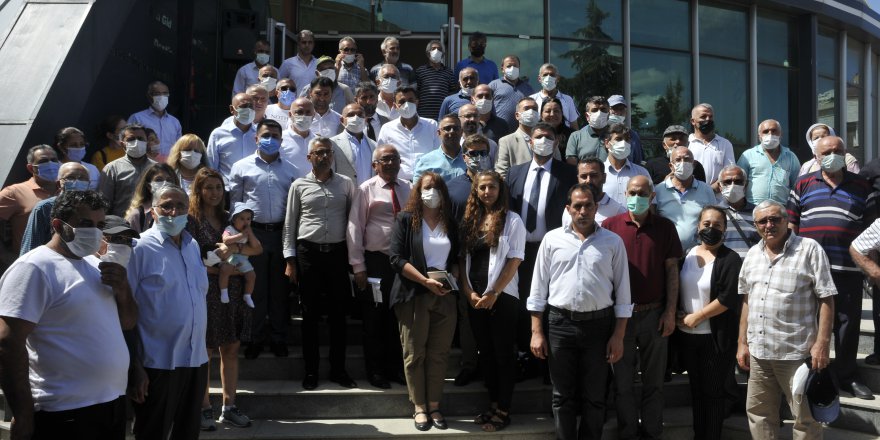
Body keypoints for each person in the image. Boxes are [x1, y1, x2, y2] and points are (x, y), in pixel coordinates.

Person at [0, 190, 136, 440]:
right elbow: (8, 342)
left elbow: (127, 323)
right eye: (85, 224)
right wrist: (23, 413)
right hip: (64, 413)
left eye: (100, 225)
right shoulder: (33, 268)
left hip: (111, 406)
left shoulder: (97, 266)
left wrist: (123, 289)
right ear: (57, 225)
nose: (94, 232)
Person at [528, 183, 632, 440]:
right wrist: (536, 332)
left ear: (597, 208)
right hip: (559, 324)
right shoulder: (552, 240)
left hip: (599, 326)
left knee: (595, 397)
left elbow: (623, 293)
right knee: (562, 396)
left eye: (588, 205)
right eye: (577, 206)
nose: (583, 211)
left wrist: (618, 336)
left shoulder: (613, 242)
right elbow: (538, 290)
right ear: (568, 208)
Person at [787, 135, 878, 400]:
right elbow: (792, 225)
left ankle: (847, 376)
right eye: (826, 151)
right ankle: (813, 374)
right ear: (816, 156)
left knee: (847, 325)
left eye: (838, 150)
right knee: (810, 324)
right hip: (809, 271)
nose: (833, 155)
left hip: (847, 269)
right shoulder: (803, 183)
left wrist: (869, 267)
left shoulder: (862, 186)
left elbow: (872, 231)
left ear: (846, 153)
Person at [737, 200, 836, 439]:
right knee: (759, 414)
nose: (769, 225)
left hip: (796, 353)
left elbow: (827, 299)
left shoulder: (809, 249)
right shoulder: (752, 254)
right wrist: (742, 343)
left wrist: (822, 344)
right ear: (756, 225)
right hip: (760, 354)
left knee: (805, 419)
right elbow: (747, 301)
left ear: (786, 220)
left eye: (775, 219)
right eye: (762, 221)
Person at [127, 184, 209, 440]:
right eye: (166, 206)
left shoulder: (192, 245)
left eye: (180, 206)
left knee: (188, 432)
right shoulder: (139, 248)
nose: (174, 212)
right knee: (152, 431)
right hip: (156, 363)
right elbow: (123, 308)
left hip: (195, 359)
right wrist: (134, 366)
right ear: (153, 211)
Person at [603, 175, 682, 440]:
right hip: (620, 319)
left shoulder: (665, 227)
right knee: (622, 382)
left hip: (655, 314)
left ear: (652, 195)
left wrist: (670, 311)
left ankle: (651, 431)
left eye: (643, 192)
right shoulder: (609, 226)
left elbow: (672, 271)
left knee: (654, 382)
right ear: (625, 195)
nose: (637, 197)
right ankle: (627, 432)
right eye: (632, 192)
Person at [186, 168, 259, 430]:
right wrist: (220, 269)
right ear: (199, 190)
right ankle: (204, 408)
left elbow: (253, 248)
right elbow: (191, 259)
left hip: (234, 290)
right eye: (208, 188)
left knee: (230, 348)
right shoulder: (191, 220)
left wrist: (238, 263)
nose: (214, 193)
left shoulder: (233, 218)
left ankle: (230, 406)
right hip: (206, 290)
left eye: (218, 187)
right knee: (204, 350)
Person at [284, 136, 356, 390]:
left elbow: (352, 221)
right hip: (308, 254)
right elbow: (290, 224)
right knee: (310, 314)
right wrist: (290, 260)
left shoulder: (346, 184)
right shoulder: (299, 185)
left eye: (328, 152)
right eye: (319, 153)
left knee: (338, 315)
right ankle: (311, 371)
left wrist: (353, 258)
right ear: (309, 157)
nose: (324, 156)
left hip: (337, 254)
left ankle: (339, 369)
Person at [389, 171, 459, 432]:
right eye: (427, 188)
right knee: (414, 353)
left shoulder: (449, 222)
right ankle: (419, 407)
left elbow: (456, 258)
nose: (432, 192)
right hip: (413, 294)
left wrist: (450, 278)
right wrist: (424, 281)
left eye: (436, 188)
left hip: (444, 296)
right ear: (418, 191)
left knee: (439, 354)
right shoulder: (406, 219)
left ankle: (434, 404)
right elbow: (395, 258)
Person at [459, 170, 525, 432]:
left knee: (502, 354)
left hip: (502, 298)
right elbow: (461, 262)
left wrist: (493, 293)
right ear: (476, 191)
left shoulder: (512, 220)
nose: (487, 192)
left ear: (500, 190)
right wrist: (469, 292)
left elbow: (515, 260)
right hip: (475, 299)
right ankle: (493, 403)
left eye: (492, 187)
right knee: (484, 353)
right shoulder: (468, 220)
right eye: (482, 188)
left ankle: (504, 410)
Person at [507, 123, 577, 361]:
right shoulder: (515, 173)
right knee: (522, 301)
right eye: (538, 136)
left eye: (548, 137)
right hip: (521, 251)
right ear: (530, 141)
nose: (543, 140)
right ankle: (526, 355)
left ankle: (549, 359)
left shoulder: (567, 173)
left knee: (549, 303)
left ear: (557, 142)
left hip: (553, 250)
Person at [229, 119, 298, 359]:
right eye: (266, 134)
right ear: (256, 138)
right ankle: (254, 338)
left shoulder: (291, 170)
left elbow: (294, 208)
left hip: (281, 233)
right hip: (252, 234)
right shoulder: (240, 167)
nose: (271, 139)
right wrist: (242, 234)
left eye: (276, 135)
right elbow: (235, 204)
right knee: (254, 287)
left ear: (281, 139)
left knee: (279, 289)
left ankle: (279, 337)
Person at [346, 144, 411, 389]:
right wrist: (358, 266)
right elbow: (355, 227)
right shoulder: (366, 189)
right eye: (385, 159)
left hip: (401, 263)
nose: (391, 163)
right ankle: (375, 371)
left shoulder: (408, 188)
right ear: (375, 165)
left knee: (397, 317)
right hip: (376, 263)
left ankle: (395, 368)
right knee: (374, 318)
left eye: (395, 158)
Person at [677, 205, 743, 440]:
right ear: (698, 226)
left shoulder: (730, 259)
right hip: (687, 336)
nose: (711, 229)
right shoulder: (688, 254)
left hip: (714, 339)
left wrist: (698, 316)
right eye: (707, 224)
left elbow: (727, 298)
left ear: (725, 229)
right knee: (696, 392)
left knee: (713, 394)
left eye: (717, 225)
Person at [446, 134, 493, 385]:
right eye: (472, 153)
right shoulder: (452, 188)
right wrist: (453, 262)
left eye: (482, 152)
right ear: (464, 157)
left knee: (493, 314)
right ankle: (468, 364)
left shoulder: (498, 185)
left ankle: (490, 365)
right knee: (466, 316)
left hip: (494, 261)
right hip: (464, 261)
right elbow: (448, 228)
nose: (477, 158)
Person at [20, 162, 91, 255]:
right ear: (58, 183)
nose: (76, 181)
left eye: (82, 178)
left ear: (89, 184)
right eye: (70, 178)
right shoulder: (44, 208)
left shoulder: (92, 209)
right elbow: (30, 249)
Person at [654, 146, 717, 251]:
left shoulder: (706, 190)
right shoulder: (659, 190)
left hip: (698, 254)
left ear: (693, 164)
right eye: (678, 160)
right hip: (666, 254)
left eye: (687, 159)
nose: (683, 163)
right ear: (671, 166)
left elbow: (713, 220)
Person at [0, 145, 59, 255]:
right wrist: (6, 257)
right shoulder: (14, 192)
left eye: (54, 160)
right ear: (31, 168)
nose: (51, 164)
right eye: (44, 161)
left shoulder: (66, 190)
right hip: (30, 262)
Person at [376, 86, 440, 181]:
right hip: (398, 183)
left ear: (417, 102)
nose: (407, 104)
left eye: (410, 100)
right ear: (395, 106)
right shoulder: (387, 129)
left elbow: (438, 154)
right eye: (402, 102)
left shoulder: (431, 125)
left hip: (427, 182)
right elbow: (380, 158)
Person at [99, 124, 159, 218]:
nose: (136, 142)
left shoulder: (157, 168)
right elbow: (103, 204)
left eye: (140, 139)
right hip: (121, 226)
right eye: (131, 139)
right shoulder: (112, 169)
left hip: (151, 225)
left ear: (146, 142)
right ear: (122, 143)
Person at [736, 119, 800, 205]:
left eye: (774, 131)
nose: (770, 134)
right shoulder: (748, 155)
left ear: (781, 135)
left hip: (781, 209)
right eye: (766, 131)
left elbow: (797, 186)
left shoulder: (791, 157)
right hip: (752, 207)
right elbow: (739, 182)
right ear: (759, 136)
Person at [206, 93, 257, 188]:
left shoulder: (260, 134)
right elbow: (211, 167)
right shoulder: (218, 134)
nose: (248, 110)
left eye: (251, 106)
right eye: (244, 106)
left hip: (254, 190)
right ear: (232, 109)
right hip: (227, 191)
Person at [561, 158, 626, 228]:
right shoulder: (570, 210)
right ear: (578, 179)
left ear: (604, 178)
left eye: (593, 176)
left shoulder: (618, 211)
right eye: (584, 176)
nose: (588, 181)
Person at [128, 81, 183, 162]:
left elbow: (179, 147)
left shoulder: (175, 122)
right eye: (157, 94)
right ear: (149, 96)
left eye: (165, 93)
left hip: (169, 167)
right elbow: (129, 143)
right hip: (144, 165)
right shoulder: (137, 118)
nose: (162, 96)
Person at [495, 97, 547, 178]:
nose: (531, 112)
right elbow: (501, 172)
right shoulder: (506, 141)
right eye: (526, 109)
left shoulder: (548, 138)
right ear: (517, 115)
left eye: (534, 109)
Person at [220, 203, 259, 308]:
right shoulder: (230, 229)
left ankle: (247, 295)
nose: (245, 222)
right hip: (230, 256)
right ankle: (224, 291)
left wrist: (250, 234)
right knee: (226, 270)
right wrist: (240, 236)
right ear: (233, 220)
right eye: (242, 219)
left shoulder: (247, 232)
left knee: (251, 276)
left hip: (243, 258)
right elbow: (226, 240)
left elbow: (256, 246)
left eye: (248, 219)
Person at [716, 165, 760, 258]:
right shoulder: (714, 213)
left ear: (746, 185)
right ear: (720, 186)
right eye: (727, 182)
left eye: (738, 182)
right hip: (724, 270)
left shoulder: (758, 213)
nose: (732, 185)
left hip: (750, 269)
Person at [601, 123, 650, 205]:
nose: (623, 143)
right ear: (607, 143)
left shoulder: (641, 173)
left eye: (627, 139)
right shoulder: (597, 173)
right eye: (618, 139)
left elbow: (651, 204)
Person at [688, 103, 735, 187]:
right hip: (691, 196)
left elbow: (729, 173)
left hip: (717, 198)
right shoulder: (687, 143)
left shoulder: (725, 144)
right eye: (703, 116)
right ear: (693, 121)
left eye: (710, 117)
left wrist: (710, 190)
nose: (708, 119)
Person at [124, 163, 180, 233]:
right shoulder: (137, 216)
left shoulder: (182, 210)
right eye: (159, 180)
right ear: (148, 186)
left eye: (169, 180)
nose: (165, 183)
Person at [331, 103, 376, 185]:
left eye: (360, 115)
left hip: (369, 195)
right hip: (345, 195)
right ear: (342, 120)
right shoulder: (333, 143)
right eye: (351, 115)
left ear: (365, 119)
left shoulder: (374, 145)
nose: (356, 118)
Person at [412, 114, 466, 183]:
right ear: (439, 133)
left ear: (461, 132)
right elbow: (417, 190)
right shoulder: (425, 162)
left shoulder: (471, 158)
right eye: (447, 128)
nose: (452, 131)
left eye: (456, 128)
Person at [415, 40, 457, 123]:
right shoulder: (420, 71)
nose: (436, 51)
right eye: (433, 49)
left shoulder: (449, 72)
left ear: (443, 54)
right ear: (428, 53)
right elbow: (416, 93)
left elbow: (452, 93)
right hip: (424, 115)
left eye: (439, 49)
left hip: (443, 115)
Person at [489, 55, 535, 129]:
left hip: (521, 131)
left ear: (519, 68)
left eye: (515, 66)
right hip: (497, 130)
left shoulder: (528, 88)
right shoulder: (493, 85)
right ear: (502, 69)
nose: (512, 68)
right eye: (509, 66)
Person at [529, 63, 579, 129]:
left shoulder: (567, 99)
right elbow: (529, 125)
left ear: (557, 78)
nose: (548, 77)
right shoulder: (532, 100)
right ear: (539, 79)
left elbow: (574, 124)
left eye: (552, 75)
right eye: (545, 75)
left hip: (564, 137)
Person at [565, 96, 611, 164]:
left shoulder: (616, 135)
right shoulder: (576, 137)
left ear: (608, 114)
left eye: (603, 110)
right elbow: (571, 163)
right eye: (594, 110)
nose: (599, 113)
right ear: (587, 116)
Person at [280, 97, 317, 176]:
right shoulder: (280, 139)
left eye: (308, 112)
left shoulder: (318, 141)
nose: (304, 116)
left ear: (313, 115)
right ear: (290, 114)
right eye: (299, 112)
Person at [607, 95, 644, 165]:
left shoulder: (633, 135)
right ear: (607, 110)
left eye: (621, 109)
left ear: (626, 112)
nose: (618, 112)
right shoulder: (600, 133)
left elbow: (638, 161)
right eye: (614, 108)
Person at [279, 30, 317, 97]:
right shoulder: (288, 63)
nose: (307, 45)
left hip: (314, 105)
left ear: (313, 44)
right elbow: (279, 84)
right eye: (304, 42)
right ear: (298, 43)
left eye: (310, 42)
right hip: (294, 105)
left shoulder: (319, 64)